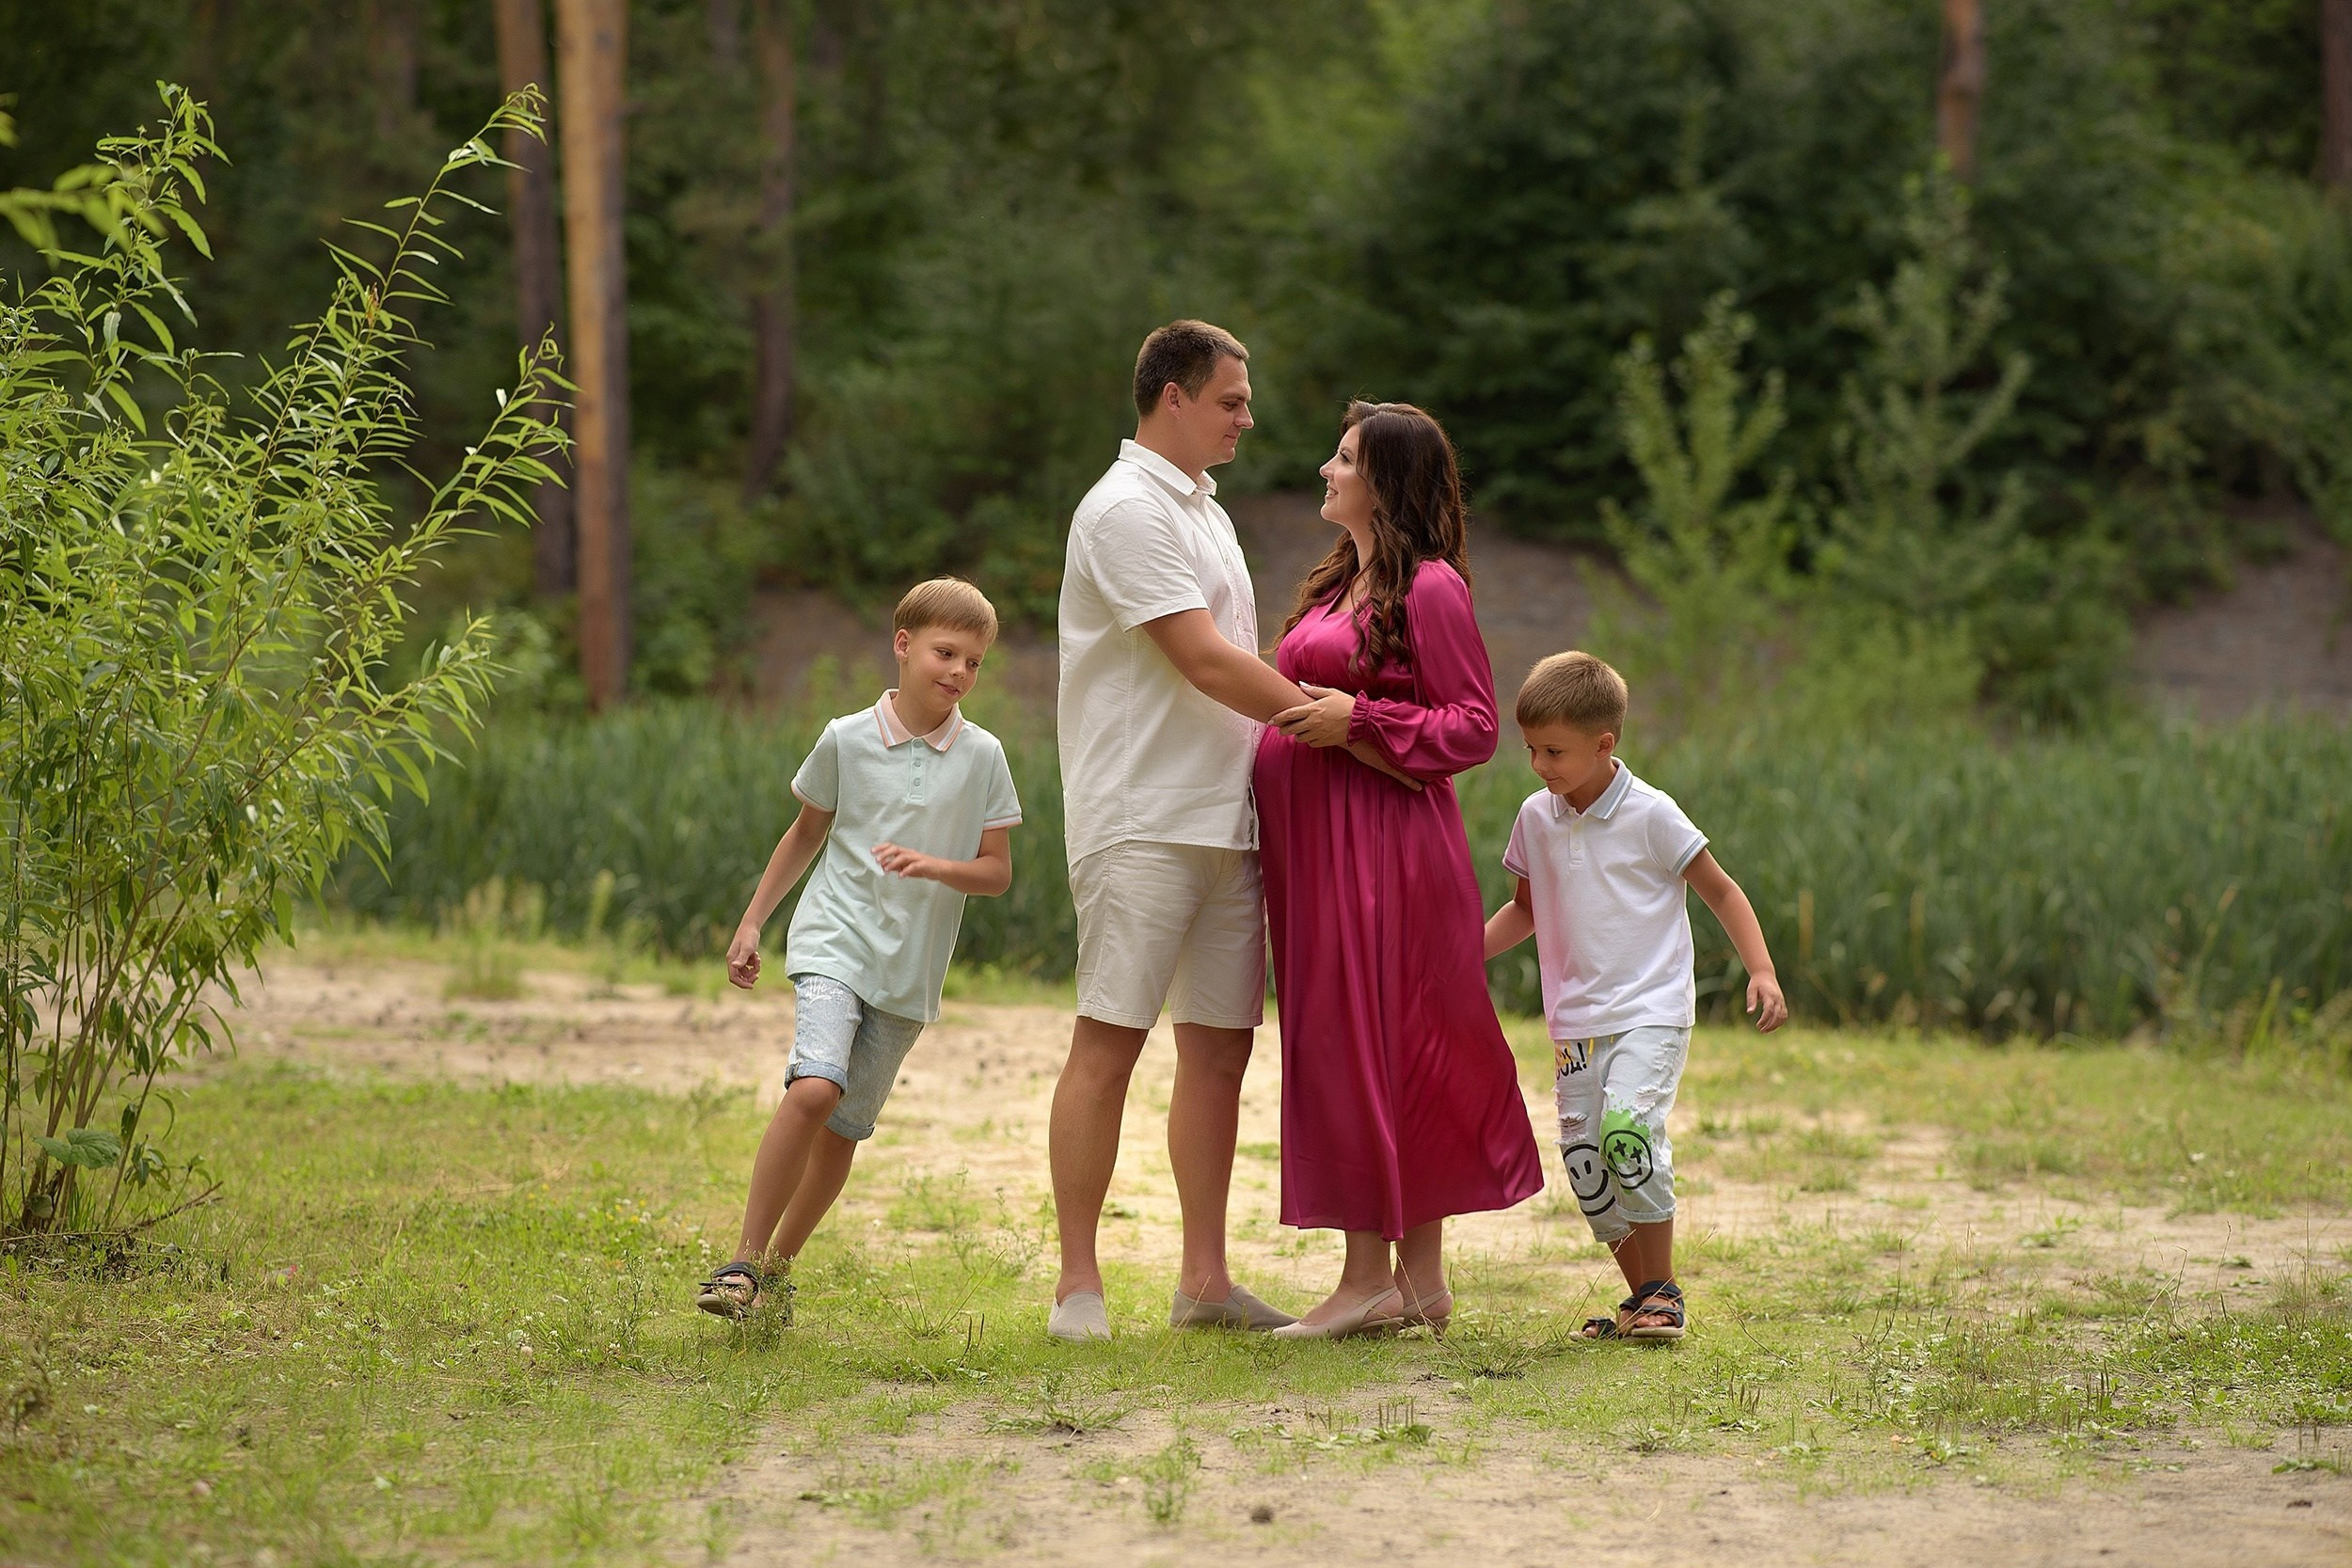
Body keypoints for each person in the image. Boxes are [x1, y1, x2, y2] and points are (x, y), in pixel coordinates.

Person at [1047, 321, 1415, 1343]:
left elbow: (1232, 664)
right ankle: (1078, 1283)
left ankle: (1202, 1282)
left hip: (1230, 816)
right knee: (1110, 1040)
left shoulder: (1202, 511)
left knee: (1218, 1052)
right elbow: (1206, 661)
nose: (1249, 417)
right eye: (1230, 400)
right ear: (1172, 395)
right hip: (1143, 815)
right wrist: (1342, 730)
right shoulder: (1123, 509)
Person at [1256, 401, 1546, 1338]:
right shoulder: (1343, 578)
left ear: (1382, 480)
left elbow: (1472, 725)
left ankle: (1363, 1279)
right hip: (1323, 846)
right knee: (1381, 1045)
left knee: (1374, 1046)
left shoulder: (1427, 588)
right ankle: (1416, 1280)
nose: (1323, 470)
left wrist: (1360, 722)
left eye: (1341, 459)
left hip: (1381, 848)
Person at [697, 578, 1023, 1322]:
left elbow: (997, 872)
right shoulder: (845, 737)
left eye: (974, 661)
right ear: (903, 645)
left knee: (843, 1130)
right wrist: (752, 922)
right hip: (832, 937)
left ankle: (770, 1277)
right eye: (947, 652)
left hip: (910, 971)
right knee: (815, 1087)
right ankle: (741, 1258)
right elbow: (806, 832)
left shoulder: (984, 756)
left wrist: (936, 864)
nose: (959, 672)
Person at [1483, 651, 1788, 1341]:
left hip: (1649, 1011)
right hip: (1576, 1023)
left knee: (1628, 1133)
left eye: (1554, 751)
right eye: (1530, 748)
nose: (1540, 765)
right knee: (1587, 1163)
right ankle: (1644, 1298)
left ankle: (1663, 1292)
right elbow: (1526, 910)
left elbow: (1722, 889)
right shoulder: (1536, 817)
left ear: (1604, 743)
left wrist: (1761, 969)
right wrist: (1458, 957)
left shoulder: (1652, 813)